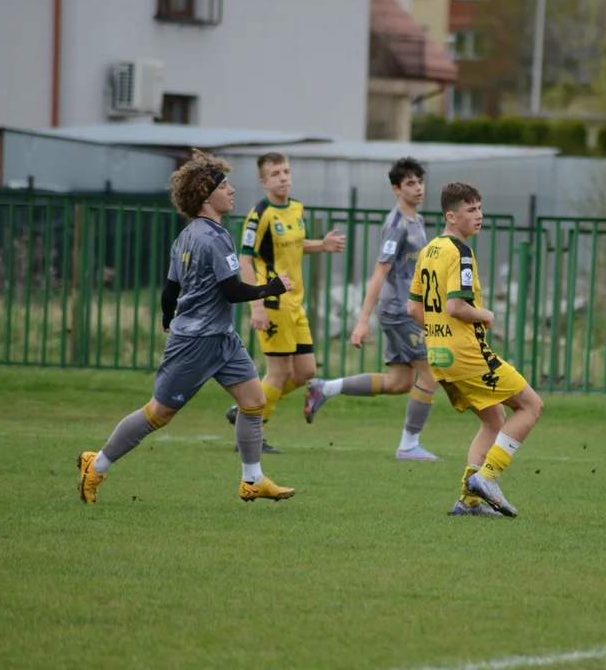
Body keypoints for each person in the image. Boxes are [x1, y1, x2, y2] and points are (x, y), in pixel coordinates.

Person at [77, 149, 297, 504]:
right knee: (158, 414)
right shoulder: (214, 238)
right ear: (206, 196)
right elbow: (232, 289)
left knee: (254, 402)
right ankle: (97, 464)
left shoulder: (187, 235)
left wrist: (167, 318)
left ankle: (252, 479)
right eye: (225, 186)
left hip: (222, 340)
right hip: (196, 343)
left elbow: (170, 290)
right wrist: (271, 288)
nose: (232, 190)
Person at [407, 182, 545, 518]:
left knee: (494, 419)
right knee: (531, 405)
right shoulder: (460, 252)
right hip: (468, 355)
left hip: (439, 355)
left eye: (480, 208)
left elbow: (413, 309)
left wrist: (440, 335)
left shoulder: (430, 250)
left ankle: (467, 501)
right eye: (471, 210)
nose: (479, 215)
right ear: (451, 216)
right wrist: (485, 314)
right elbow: (456, 306)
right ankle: (489, 477)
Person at [302, 157, 441, 461]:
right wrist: (362, 321)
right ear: (396, 188)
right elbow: (379, 273)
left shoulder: (417, 220)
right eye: (410, 183)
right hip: (400, 312)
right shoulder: (396, 225)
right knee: (430, 374)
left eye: (420, 181)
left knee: (400, 383)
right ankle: (408, 447)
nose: (418, 188)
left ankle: (325, 388)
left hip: (406, 310)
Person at [225, 152, 345, 453]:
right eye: (276, 173)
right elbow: (245, 260)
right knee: (277, 373)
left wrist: (323, 245)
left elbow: (295, 244)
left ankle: (247, 411)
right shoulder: (259, 214)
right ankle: (251, 433)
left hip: (296, 303)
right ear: (264, 181)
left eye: (287, 171)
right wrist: (257, 305)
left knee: (305, 372)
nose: (284, 177)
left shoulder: (296, 208)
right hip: (273, 302)